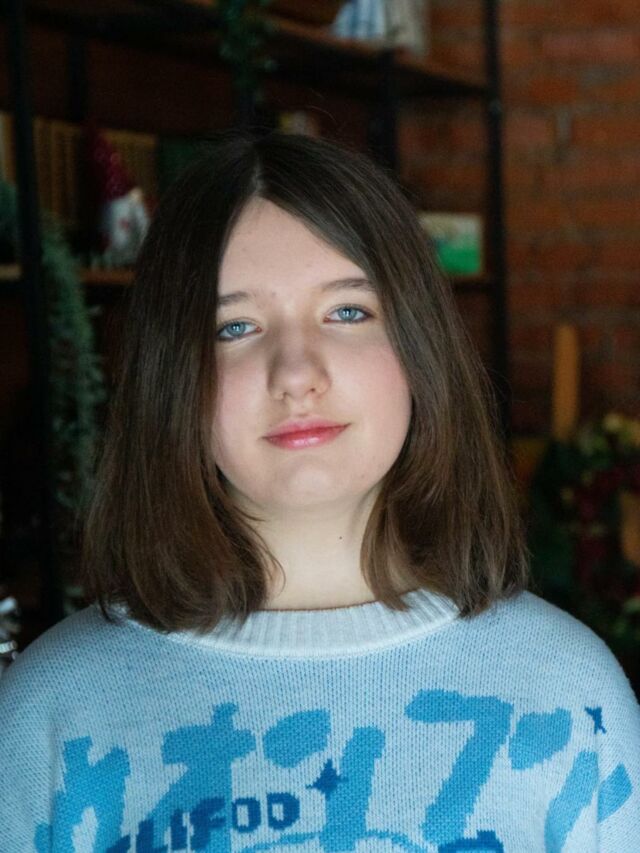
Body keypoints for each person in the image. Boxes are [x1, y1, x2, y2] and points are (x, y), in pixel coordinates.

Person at [0, 129, 638, 852]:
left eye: (347, 312)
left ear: (421, 348)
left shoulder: (567, 688)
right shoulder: (52, 713)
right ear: (170, 377)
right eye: (235, 326)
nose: (297, 373)